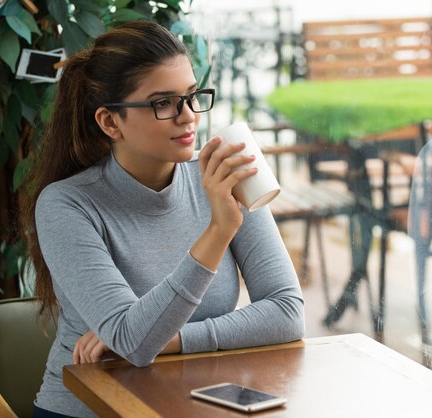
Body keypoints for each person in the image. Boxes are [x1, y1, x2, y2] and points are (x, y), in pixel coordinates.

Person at [20, 21, 305, 418]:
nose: (188, 116)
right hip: (89, 409)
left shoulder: (222, 175)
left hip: (195, 402)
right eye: (163, 103)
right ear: (110, 122)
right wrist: (219, 231)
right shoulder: (66, 205)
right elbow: (133, 341)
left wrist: (174, 340)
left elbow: (287, 312)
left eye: (192, 96)